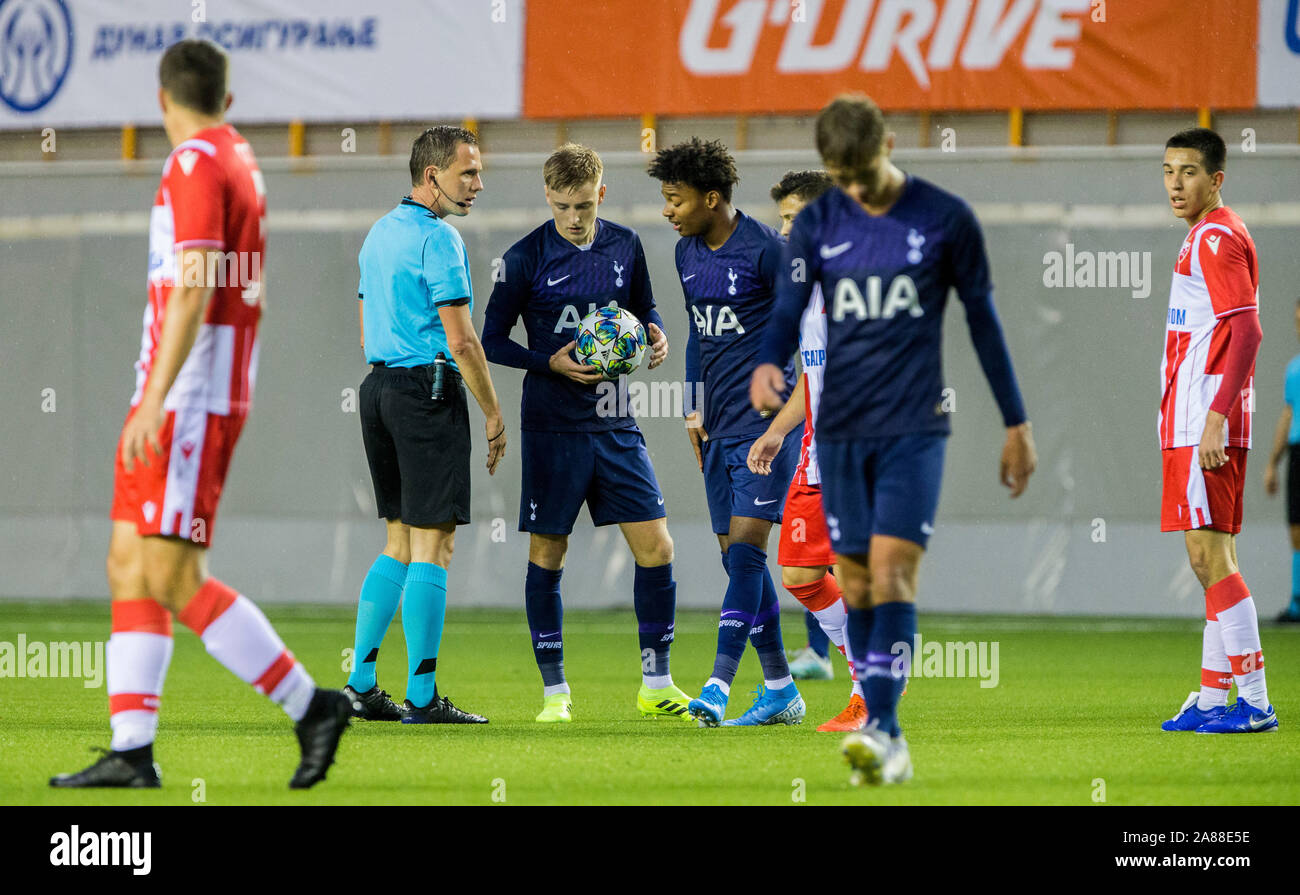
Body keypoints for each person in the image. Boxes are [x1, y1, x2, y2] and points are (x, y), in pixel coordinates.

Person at [51, 39, 351, 790]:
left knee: (173, 572)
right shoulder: (240, 157)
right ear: (228, 99)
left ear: (161, 100)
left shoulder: (194, 163)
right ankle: (132, 749)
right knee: (129, 563)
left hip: (185, 398)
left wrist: (154, 398)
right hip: (187, 389)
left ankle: (310, 703)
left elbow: (192, 285)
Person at [752, 95, 1036, 783]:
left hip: (912, 427)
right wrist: (768, 357)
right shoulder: (820, 222)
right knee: (850, 580)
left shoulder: (944, 218)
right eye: (839, 174)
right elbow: (791, 304)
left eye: (862, 171)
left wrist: (1015, 421)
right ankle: (887, 729)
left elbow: (984, 321)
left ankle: (881, 728)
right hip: (840, 430)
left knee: (891, 572)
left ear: (890, 142)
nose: (852, 188)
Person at [481, 143, 690, 722]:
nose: (574, 217)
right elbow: (493, 338)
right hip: (553, 427)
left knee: (658, 547)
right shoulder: (524, 258)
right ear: (547, 197)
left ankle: (657, 682)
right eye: (562, 206)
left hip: (617, 422)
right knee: (549, 553)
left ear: (601, 194)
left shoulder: (626, 245)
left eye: (583, 205)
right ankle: (555, 694)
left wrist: (655, 334)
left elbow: (646, 307)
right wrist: (549, 362)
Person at [342, 126, 504, 725]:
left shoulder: (378, 234)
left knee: (398, 542)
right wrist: (491, 411)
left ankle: (360, 683)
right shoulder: (441, 238)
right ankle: (422, 696)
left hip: (378, 389)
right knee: (435, 545)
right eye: (468, 173)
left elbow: (365, 334)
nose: (477, 183)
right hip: (426, 392)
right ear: (431, 174)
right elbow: (462, 340)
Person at [648, 138, 805, 727]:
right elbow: (697, 334)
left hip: (767, 431)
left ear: (711, 198)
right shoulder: (687, 252)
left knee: (744, 556)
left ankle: (716, 685)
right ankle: (782, 689)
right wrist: (692, 406)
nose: (668, 211)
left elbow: (800, 333)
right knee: (738, 562)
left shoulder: (766, 251)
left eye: (675, 199)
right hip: (716, 431)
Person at [1154, 128, 1276, 734]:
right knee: (1210, 558)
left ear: (1217, 180)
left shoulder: (1216, 237)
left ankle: (1254, 701)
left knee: (1212, 556)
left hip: (1206, 421)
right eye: (1169, 171)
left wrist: (1216, 418)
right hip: (1195, 419)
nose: (1177, 183)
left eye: (1190, 172)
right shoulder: (1205, 236)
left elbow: (1249, 331)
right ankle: (1210, 700)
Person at [748, 169, 865, 732]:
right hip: (816, 449)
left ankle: (871, 694)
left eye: (795, 218)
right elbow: (812, 379)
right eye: (783, 219)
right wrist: (776, 431)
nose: (785, 229)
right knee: (798, 571)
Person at [1262, 298, 1300, 624]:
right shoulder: (1294, 369)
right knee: (1296, 530)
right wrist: (1273, 463)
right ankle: (1297, 603)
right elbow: (1288, 415)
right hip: (1297, 455)